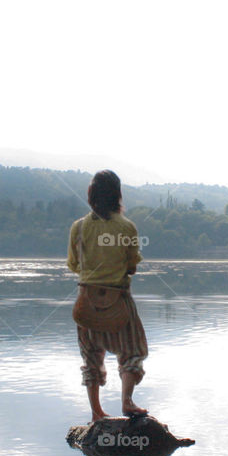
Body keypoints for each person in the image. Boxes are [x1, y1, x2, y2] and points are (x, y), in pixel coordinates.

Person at [67, 170, 148, 423]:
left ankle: (96, 413)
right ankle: (126, 402)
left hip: (86, 303)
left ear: (91, 195)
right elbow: (132, 264)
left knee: (91, 358)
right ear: (117, 195)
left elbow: (73, 265)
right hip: (118, 302)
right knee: (132, 352)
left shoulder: (78, 227)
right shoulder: (127, 227)